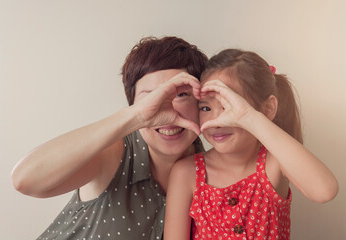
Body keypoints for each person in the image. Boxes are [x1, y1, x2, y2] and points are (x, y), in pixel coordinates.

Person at [11, 36, 208, 240]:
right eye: (151, 96)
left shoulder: (211, 170)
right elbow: (24, 179)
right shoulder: (116, 153)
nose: (167, 110)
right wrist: (138, 116)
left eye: (181, 95)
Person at [163, 49, 339, 240]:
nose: (217, 120)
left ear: (267, 109)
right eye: (206, 108)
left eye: (229, 105)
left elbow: (325, 191)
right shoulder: (186, 172)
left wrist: (251, 118)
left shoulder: (274, 163)